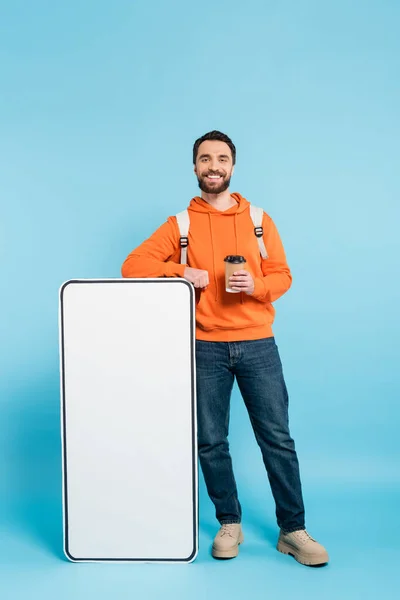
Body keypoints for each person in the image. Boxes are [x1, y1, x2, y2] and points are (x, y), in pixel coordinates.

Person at [121, 130, 329, 566]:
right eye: (204, 159)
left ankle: (293, 530)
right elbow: (132, 265)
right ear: (195, 167)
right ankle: (228, 523)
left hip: (258, 344)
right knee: (212, 441)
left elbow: (283, 275)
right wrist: (180, 272)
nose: (213, 166)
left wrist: (256, 286)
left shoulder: (258, 220)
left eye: (221, 158)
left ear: (232, 166)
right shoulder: (181, 224)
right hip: (204, 348)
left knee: (277, 439)